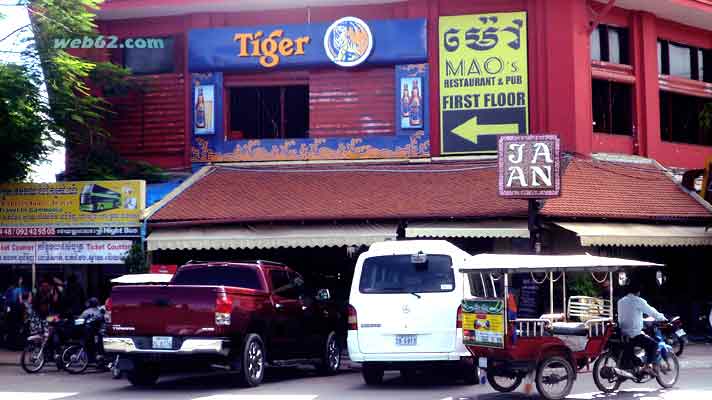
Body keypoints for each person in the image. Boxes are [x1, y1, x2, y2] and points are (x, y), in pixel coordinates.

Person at [617, 278, 666, 373]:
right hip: (634, 334)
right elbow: (652, 312)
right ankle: (647, 366)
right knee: (653, 345)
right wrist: (663, 318)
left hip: (622, 333)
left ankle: (638, 363)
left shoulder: (621, 301)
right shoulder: (638, 301)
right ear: (638, 291)